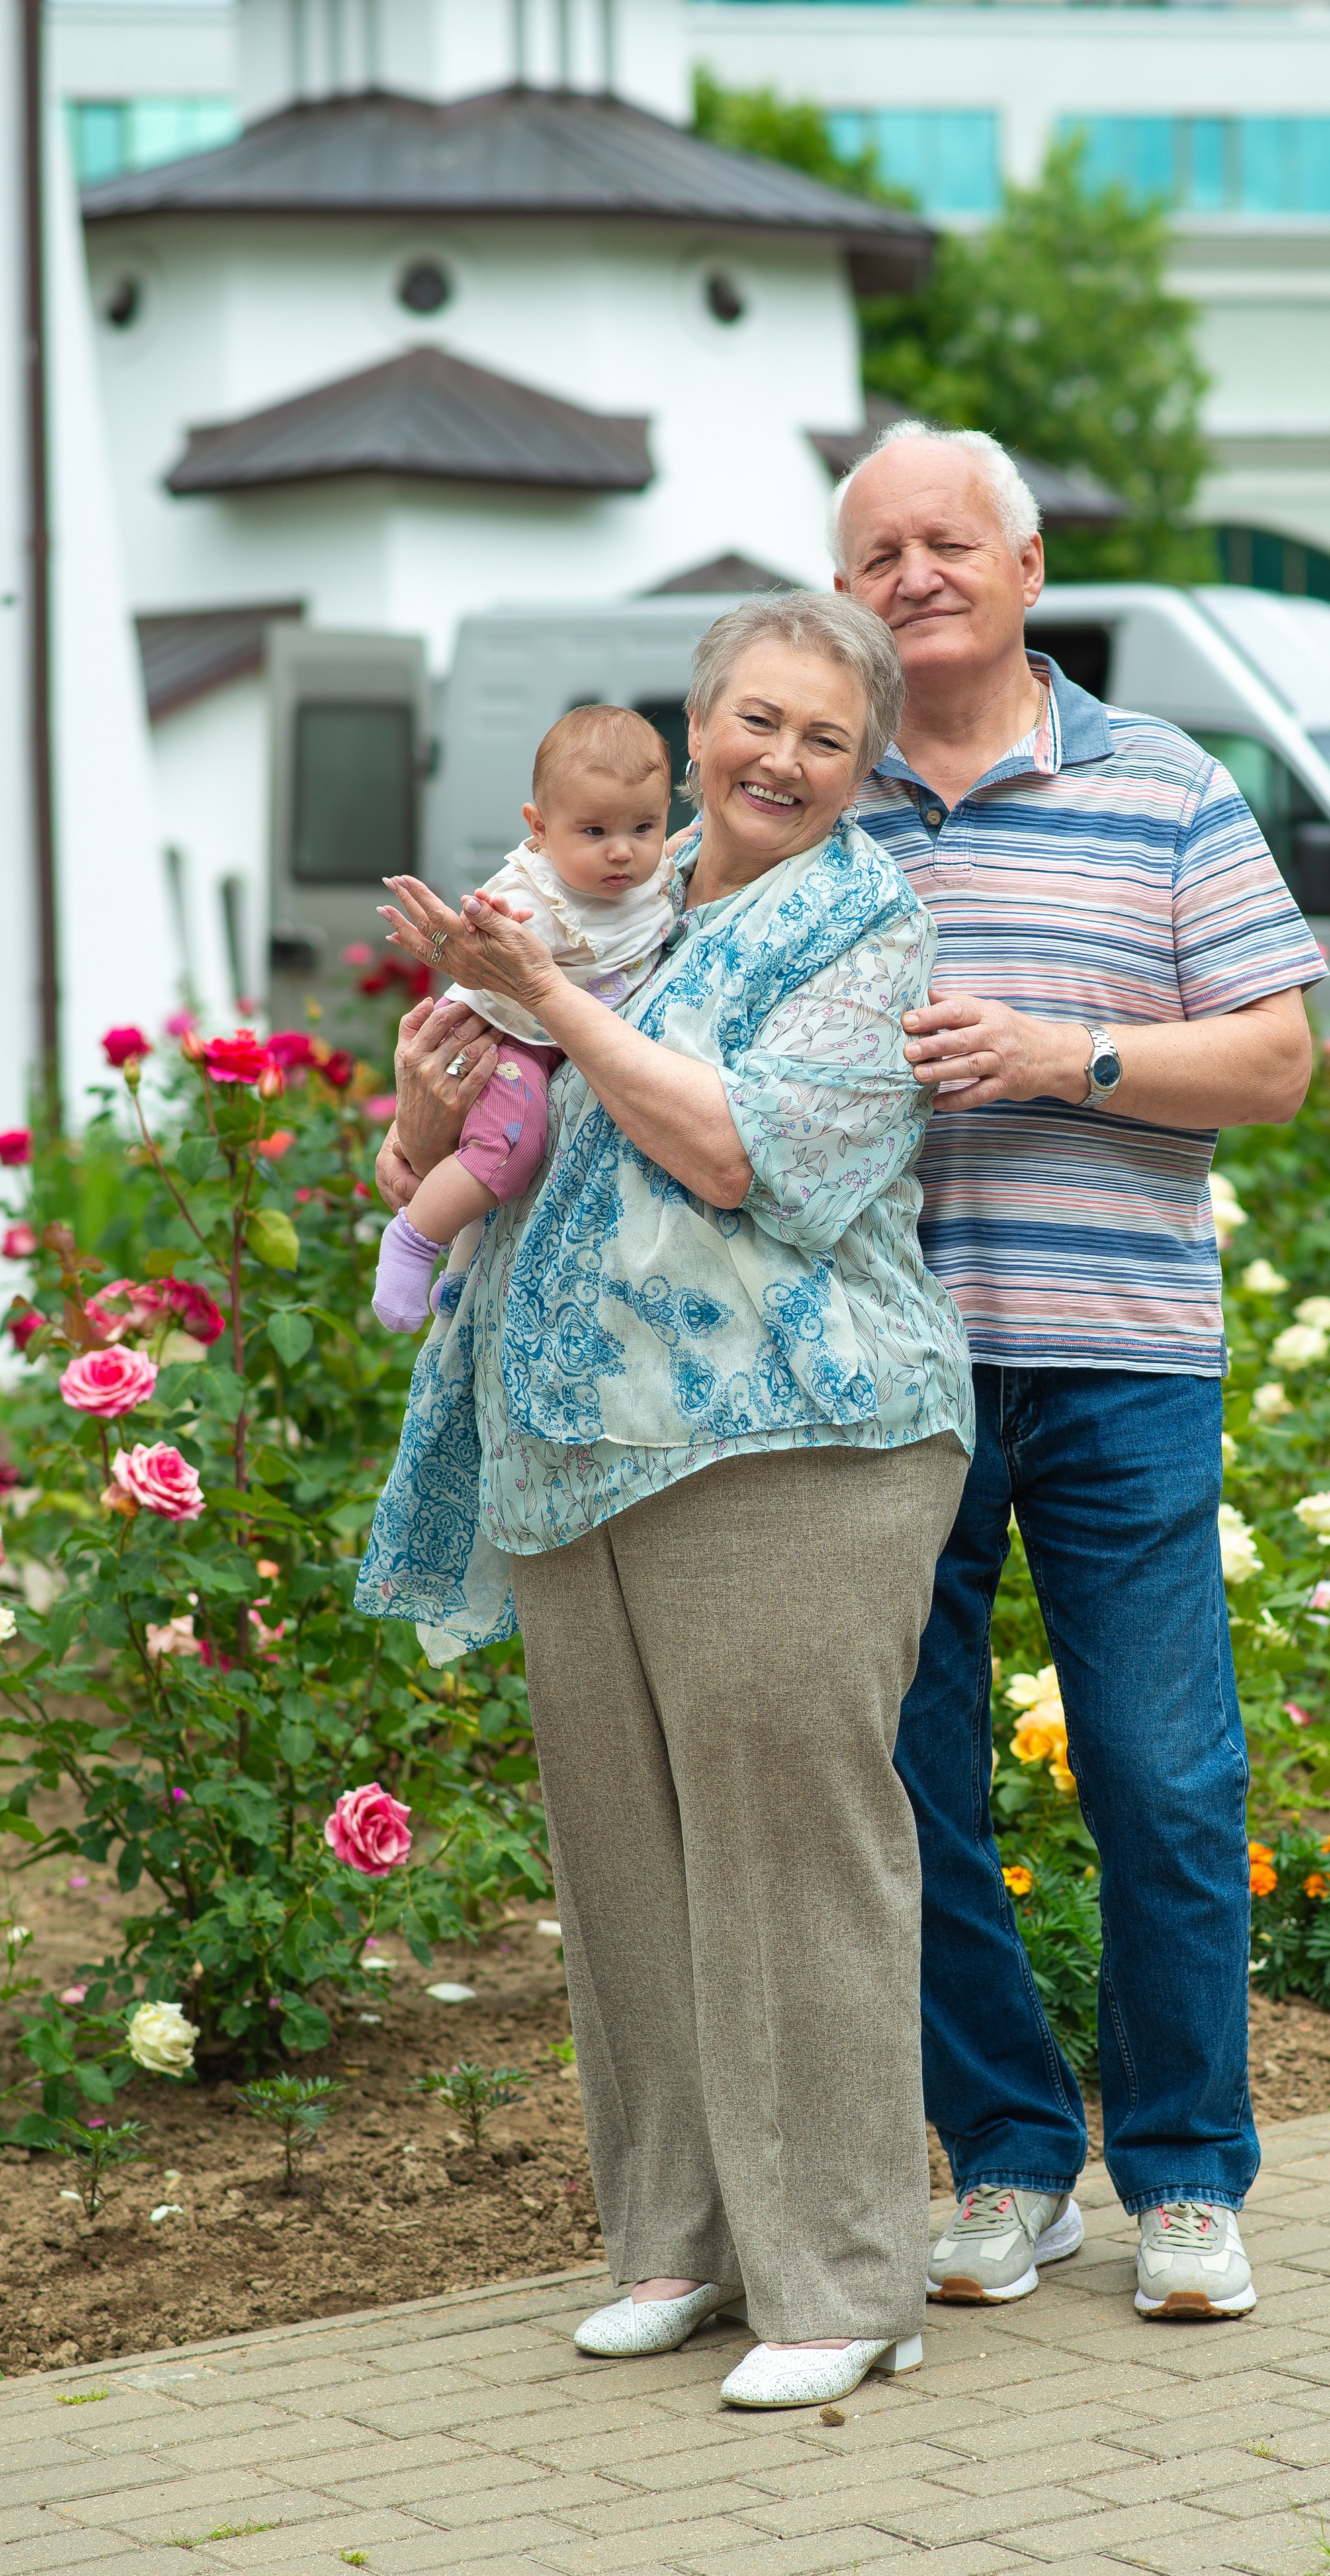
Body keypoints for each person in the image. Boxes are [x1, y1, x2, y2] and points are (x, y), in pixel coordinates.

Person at [359, 590, 975, 2411]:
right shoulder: (598, 900)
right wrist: (423, 1102)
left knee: (795, 1862)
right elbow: (477, 1158)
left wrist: (543, 999)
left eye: (823, 735)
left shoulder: (867, 924)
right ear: (696, 726)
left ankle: (850, 2277)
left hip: (793, 1442)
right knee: (626, 1866)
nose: (778, 757)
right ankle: (681, 2246)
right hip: (571, 1447)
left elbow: (737, 1151)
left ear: (867, 768)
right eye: (753, 720)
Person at [829, 419, 1325, 2321]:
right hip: (879, 1379)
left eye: (950, 540)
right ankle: (1014, 2158)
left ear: (1030, 568)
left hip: (1120, 1360)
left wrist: (1060, 1054)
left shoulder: (1167, 784)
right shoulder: (803, 797)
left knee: (1163, 1770)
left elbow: (1274, 1064)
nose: (916, 574)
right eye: (878, 552)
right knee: (913, 1775)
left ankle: (1186, 2177)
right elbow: (648, 974)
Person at [369, 703, 676, 1331]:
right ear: (539, 827)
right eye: (593, 832)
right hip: (506, 1035)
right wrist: (482, 928)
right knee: (512, 1144)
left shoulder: (659, 876)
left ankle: (461, 1279)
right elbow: (479, 942)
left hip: (564, 1039)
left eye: (643, 827)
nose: (622, 852)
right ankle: (413, 1240)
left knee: (526, 1167)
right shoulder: (531, 893)